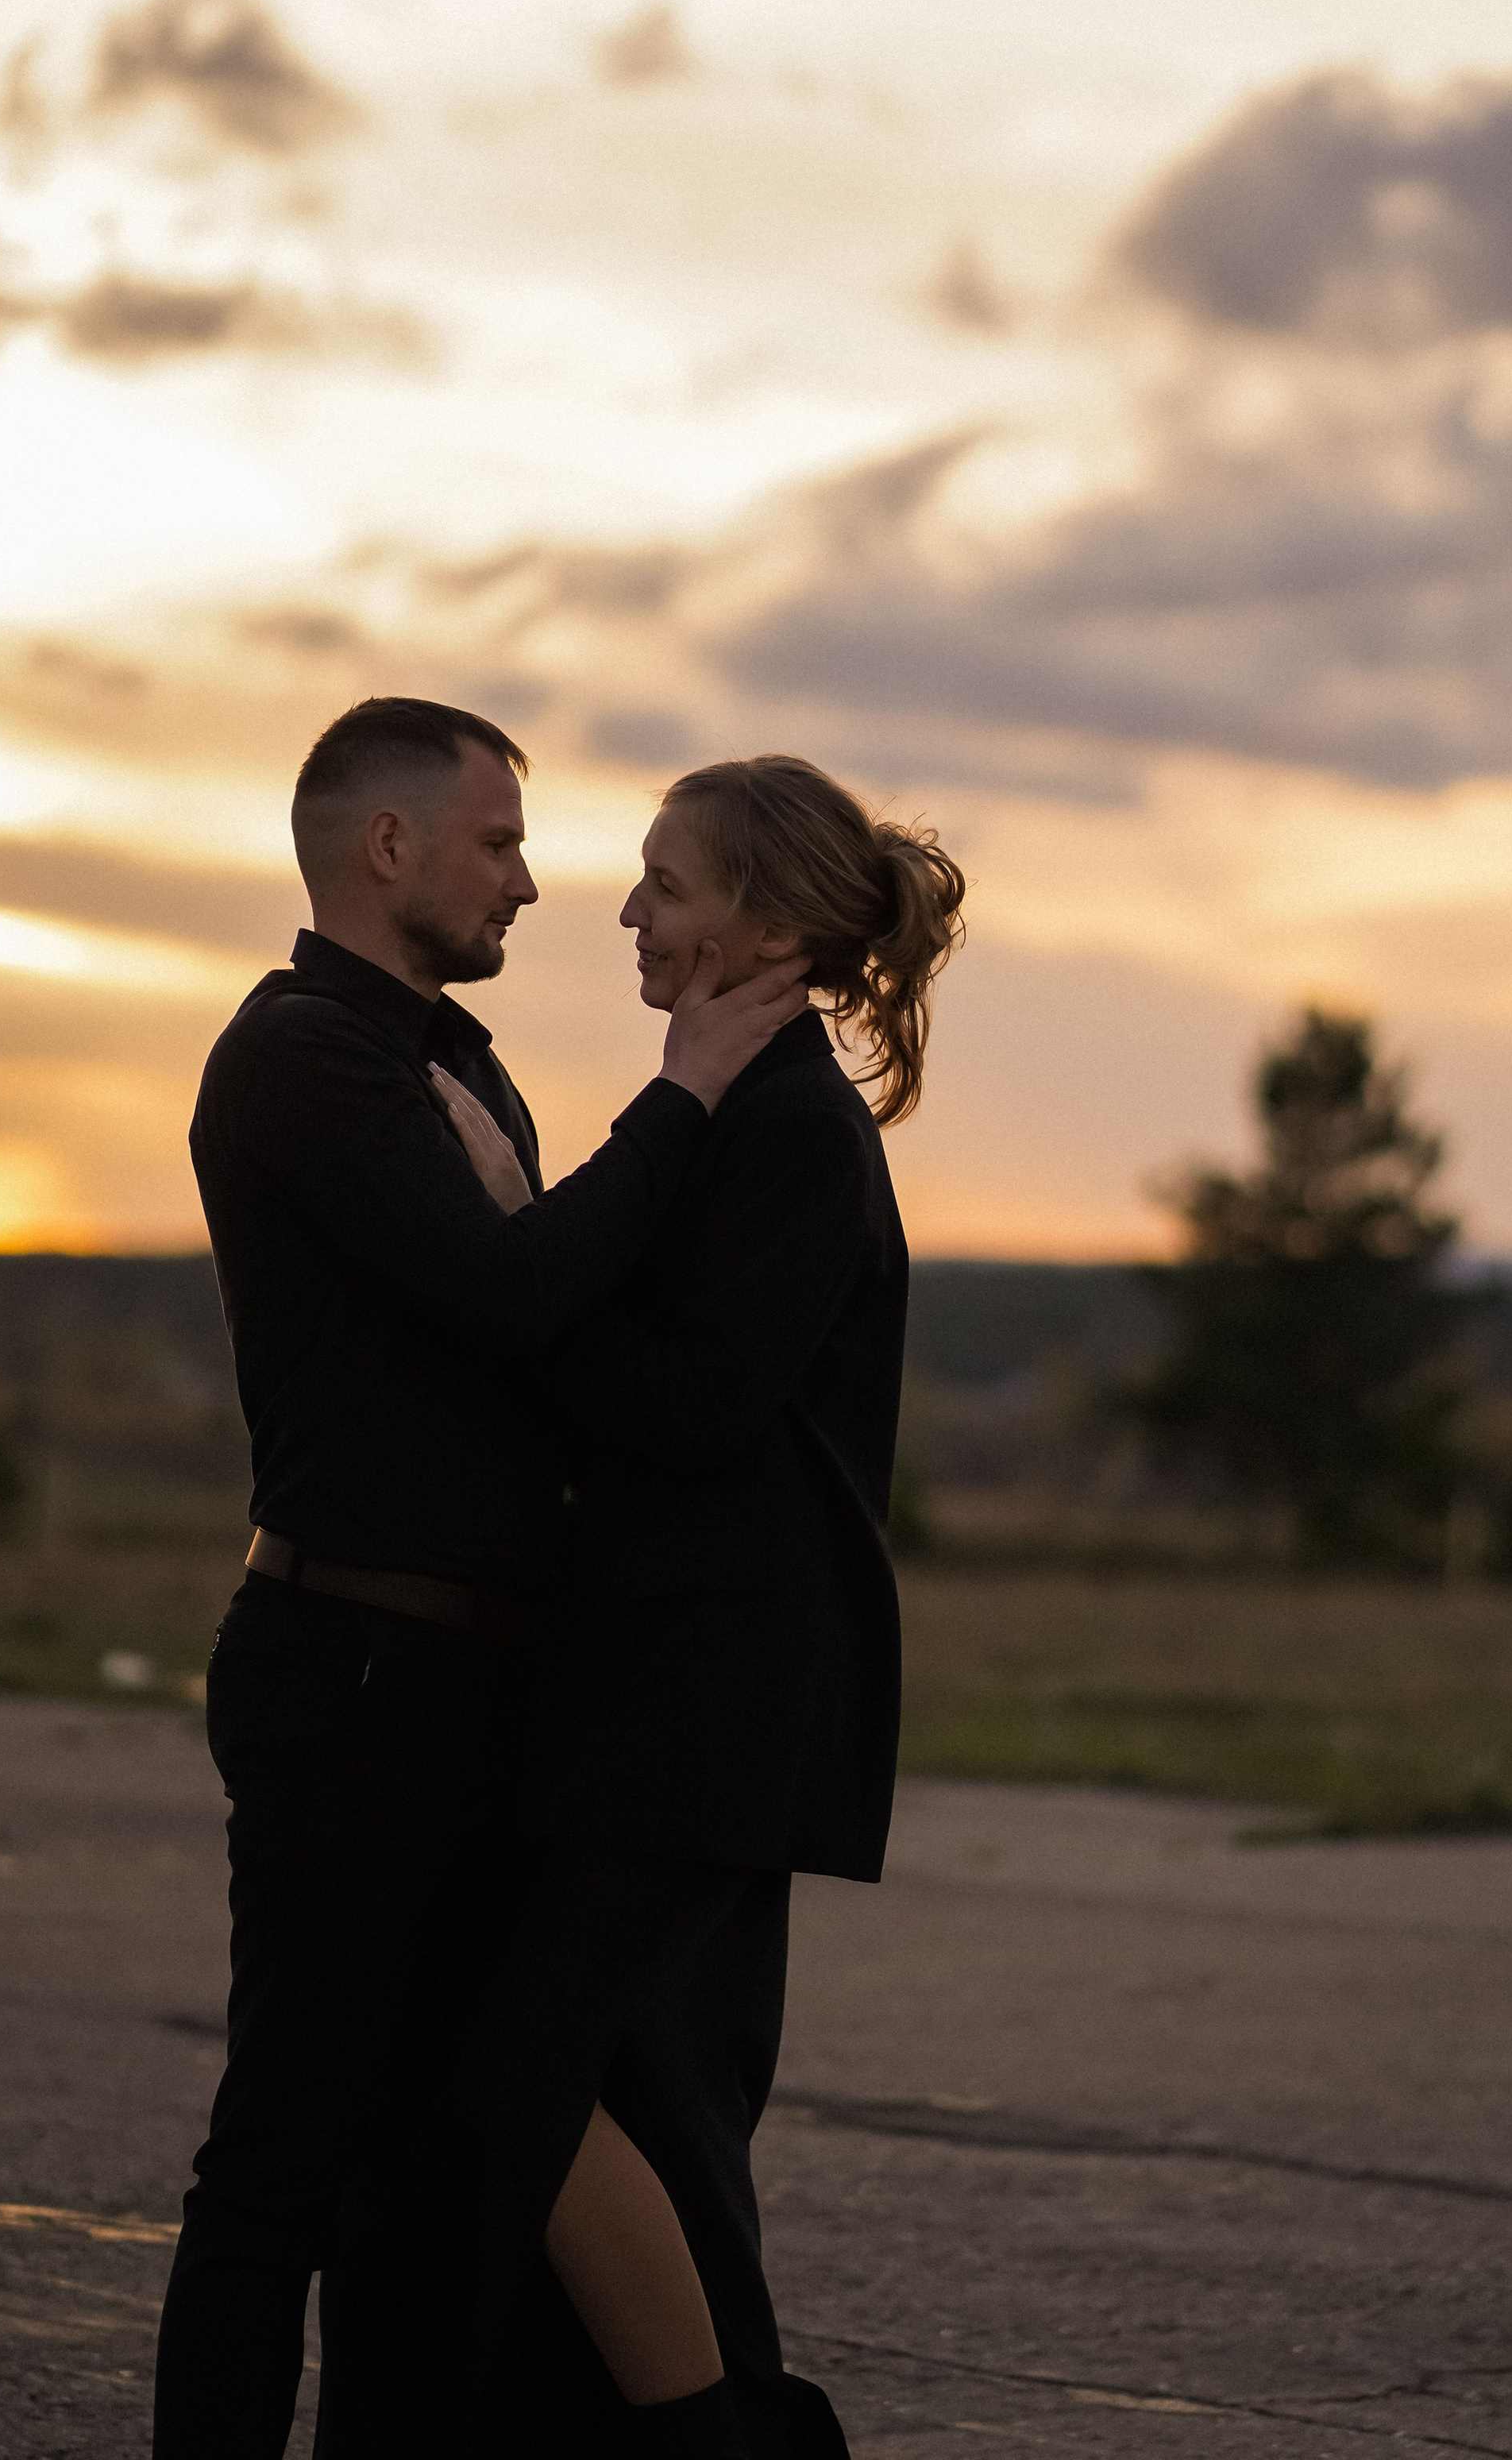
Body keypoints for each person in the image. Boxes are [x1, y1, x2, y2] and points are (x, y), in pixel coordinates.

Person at [152, 697, 808, 2460]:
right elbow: (518, 1299)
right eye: (498, 842)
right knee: (286, 2157)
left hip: (474, 1692)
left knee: (430, 2158)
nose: (531, 884)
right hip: (352, 1668)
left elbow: (557, 1322)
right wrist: (677, 1106)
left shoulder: (453, 1060)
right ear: (387, 850)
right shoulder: (303, 1057)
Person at [402, 752, 966, 2458]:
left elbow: (691, 1407)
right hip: (664, 1689)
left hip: (712, 1698)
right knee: (655, 2099)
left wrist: (517, 1262)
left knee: (525, 2077)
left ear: (765, 925)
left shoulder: (790, 1128)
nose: (627, 912)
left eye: (666, 884)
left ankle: (734, 2436)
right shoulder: (743, 1108)